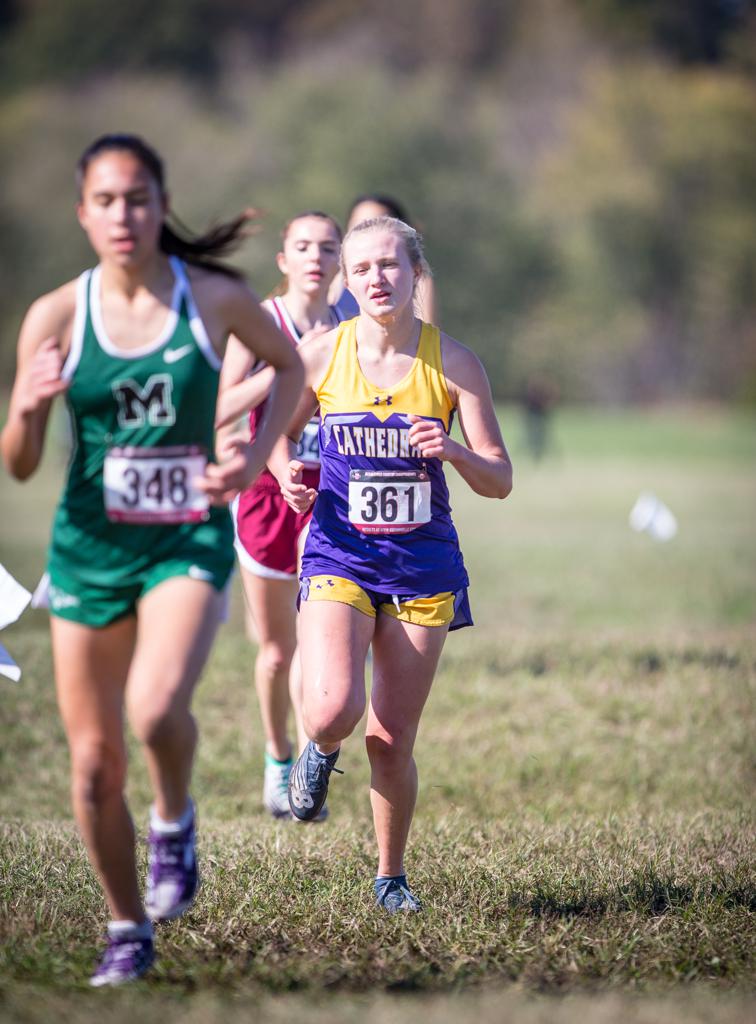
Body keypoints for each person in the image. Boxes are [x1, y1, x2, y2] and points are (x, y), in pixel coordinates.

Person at [0, 134, 303, 986]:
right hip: (89, 549)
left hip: (183, 536)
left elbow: (291, 370)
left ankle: (174, 820)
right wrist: (24, 410)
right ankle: (128, 926)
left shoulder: (214, 299)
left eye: (137, 198)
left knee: (155, 706)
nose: (123, 215)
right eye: (105, 201)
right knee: (94, 765)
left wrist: (247, 458)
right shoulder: (56, 316)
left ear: (160, 203)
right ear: (82, 214)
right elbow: (19, 463)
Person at [269, 215, 512, 912]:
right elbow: (280, 436)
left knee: (389, 739)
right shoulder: (320, 355)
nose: (378, 279)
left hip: (422, 566)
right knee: (332, 708)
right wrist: (289, 475)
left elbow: (501, 478)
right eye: (364, 268)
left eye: (392, 266)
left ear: (415, 274)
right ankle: (315, 751)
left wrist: (457, 452)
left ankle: (390, 878)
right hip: (339, 551)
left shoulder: (454, 363)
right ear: (347, 279)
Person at [215, 211, 348, 819]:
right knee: (274, 650)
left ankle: (305, 775)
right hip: (268, 498)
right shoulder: (259, 325)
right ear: (283, 260)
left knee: (312, 645)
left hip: (335, 495)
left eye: (327, 247)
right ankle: (276, 756)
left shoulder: (354, 324)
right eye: (303, 247)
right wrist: (286, 368)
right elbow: (221, 409)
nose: (316, 257)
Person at [331, 194, 438, 324]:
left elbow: (427, 333)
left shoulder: (419, 280)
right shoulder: (334, 278)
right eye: (361, 226)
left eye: (379, 223)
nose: (370, 232)